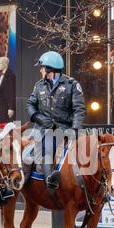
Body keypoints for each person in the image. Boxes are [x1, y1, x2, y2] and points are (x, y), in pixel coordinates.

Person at [26, 51, 86, 190]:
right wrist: (39, 118)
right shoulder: (39, 85)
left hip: (65, 128)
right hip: (45, 129)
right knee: (47, 148)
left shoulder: (71, 85)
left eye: (42, 67)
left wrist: (75, 129)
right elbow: (30, 105)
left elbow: (79, 109)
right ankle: (50, 180)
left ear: (49, 69)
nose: (40, 70)